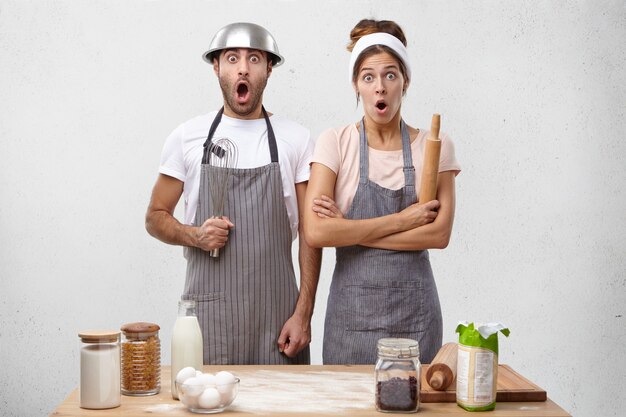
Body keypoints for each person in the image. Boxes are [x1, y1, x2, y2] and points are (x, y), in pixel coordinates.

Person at [146, 22, 321, 365]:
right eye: (231, 58)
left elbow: (311, 236)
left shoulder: (297, 139)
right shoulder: (187, 137)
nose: (243, 68)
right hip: (209, 323)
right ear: (216, 67)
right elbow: (155, 216)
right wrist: (195, 235)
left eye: (254, 59)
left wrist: (303, 315)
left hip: (278, 323)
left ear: (269, 69)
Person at [303, 19, 461, 365]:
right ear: (356, 85)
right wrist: (405, 220)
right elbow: (316, 232)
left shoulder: (435, 146)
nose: (380, 88)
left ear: (406, 82)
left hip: (416, 320)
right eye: (368, 77)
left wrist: (348, 232)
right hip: (350, 324)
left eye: (391, 75)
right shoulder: (335, 143)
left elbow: (438, 234)